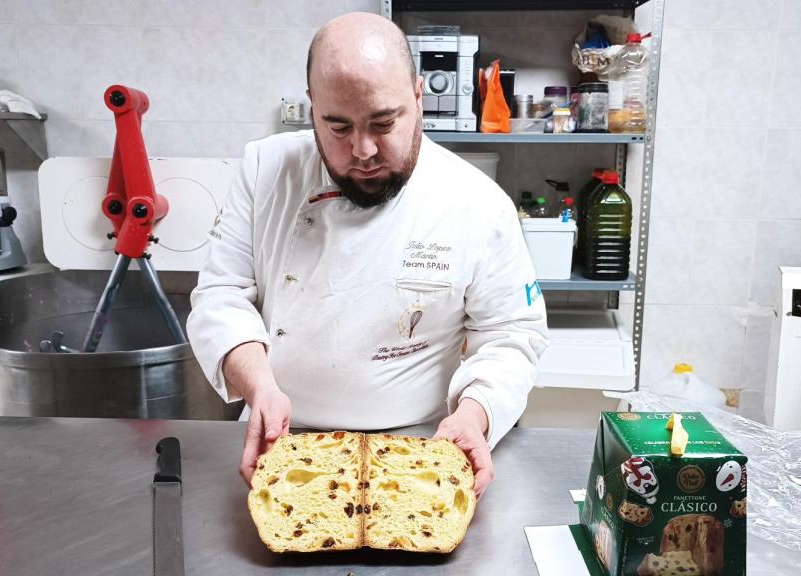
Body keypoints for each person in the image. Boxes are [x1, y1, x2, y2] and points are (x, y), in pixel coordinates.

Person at [188, 12, 548, 499]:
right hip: (281, 445)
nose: (362, 149)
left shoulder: (477, 203)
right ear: (312, 106)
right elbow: (221, 297)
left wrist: (474, 413)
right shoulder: (265, 170)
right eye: (337, 126)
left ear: (418, 98)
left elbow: (511, 335)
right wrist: (258, 389)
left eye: (384, 122)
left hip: (417, 450)